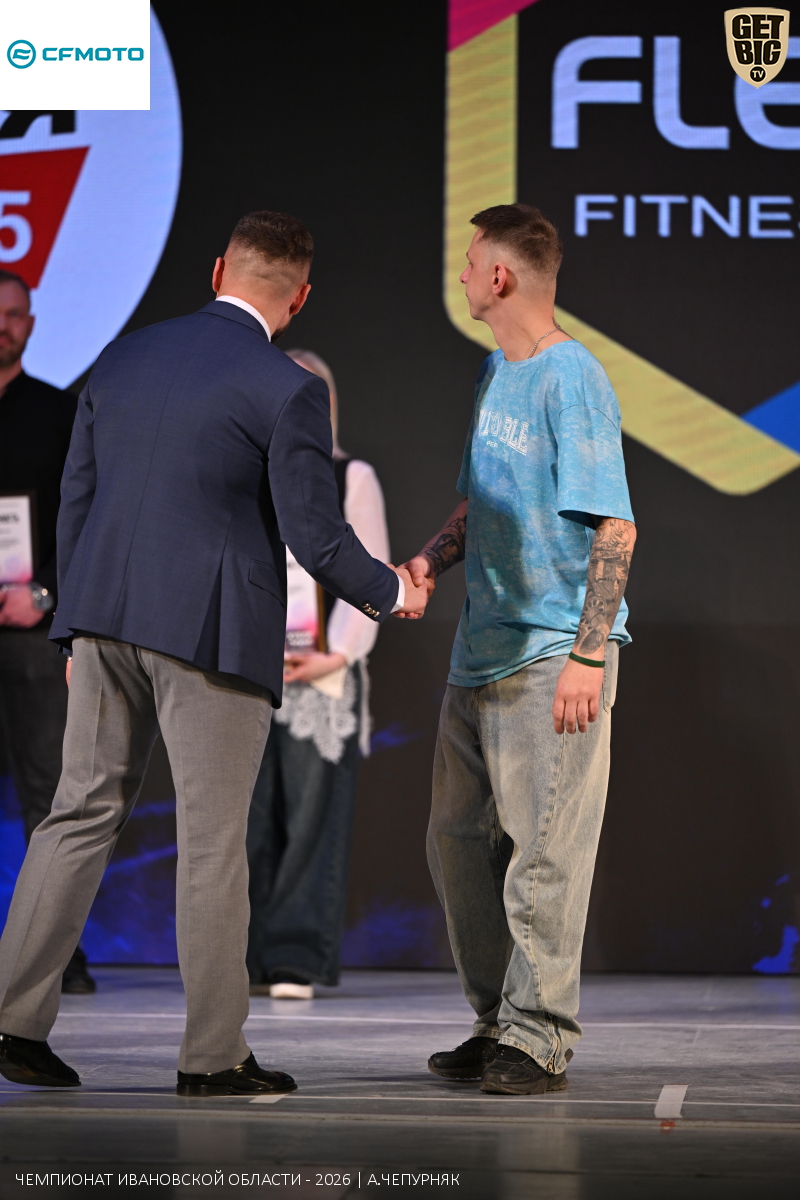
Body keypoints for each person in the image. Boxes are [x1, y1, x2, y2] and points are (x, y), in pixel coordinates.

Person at [0, 211, 429, 1096]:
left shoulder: (121, 356)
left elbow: (76, 498)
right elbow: (316, 537)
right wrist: (392, 591)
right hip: (212, 632)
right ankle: (213, 1057)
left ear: (216, 271)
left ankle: (12, 1024)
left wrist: (72, 623)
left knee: (75, 816)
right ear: (298, 299)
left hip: (102, 620)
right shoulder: (287, 386)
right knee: (211, 843)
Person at [403, 204, 636, 1096]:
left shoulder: (572, 378)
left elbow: (615, 526)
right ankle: (498, 1018)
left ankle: (538, 1035)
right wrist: (429, 561)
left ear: (500, 277)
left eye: (470, 263)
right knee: (458, 844)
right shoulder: (496, 371)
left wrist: (588, 656)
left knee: (544, 850)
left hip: (552, 653)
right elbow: (479, 501)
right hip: (481, 650)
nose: (463, 276)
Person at [247, 349, 390, 1000]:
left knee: (310, 819)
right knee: (246, 819)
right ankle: (244, 956)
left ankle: (294, 958)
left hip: (322, 675)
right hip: (249, 669)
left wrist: (338, 654)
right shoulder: (245, 472)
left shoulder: (349, 475)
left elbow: (370, 568)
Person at [0, 270, 95, 996]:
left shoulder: (58, 412)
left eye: (13, 314)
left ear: (31, 325)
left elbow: (84, 515)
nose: (2, 325)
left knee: (48, 790)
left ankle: (55, 957)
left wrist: (44, 593)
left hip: (32, 627)